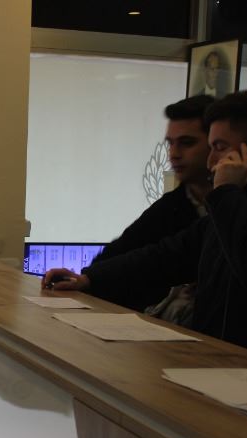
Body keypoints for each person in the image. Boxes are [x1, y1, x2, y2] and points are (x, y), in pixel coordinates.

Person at [43, 89, 247, 373]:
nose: (211, 161)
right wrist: (91, 279)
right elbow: (168, 256)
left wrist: (226, 192)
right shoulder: (240, 202)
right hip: (217, 366)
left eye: (219, 148)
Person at [88, 94, 214, 315]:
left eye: (187, 143)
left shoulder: (245, 207)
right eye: (170, 143)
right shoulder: (171, 206)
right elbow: (115, 258)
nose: (174, 154)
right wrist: (86, 279)